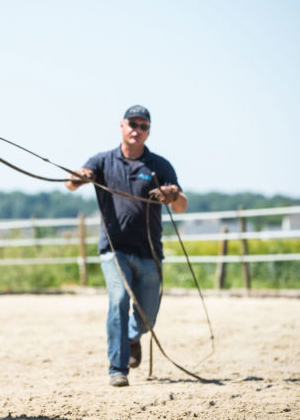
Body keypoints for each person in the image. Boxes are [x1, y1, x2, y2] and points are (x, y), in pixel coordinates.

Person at [65, 104, 187, 387]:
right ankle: (117, 369)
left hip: (149, 252)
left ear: (148, 131)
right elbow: (71, 184)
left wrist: (172, 194)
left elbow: (181, 206)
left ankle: (133, 337)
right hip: (114, 250)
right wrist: (79, 177)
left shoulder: (159, 166)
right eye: (133, 124)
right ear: (122, 126)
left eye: (144, 126)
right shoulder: (103, 161)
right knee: (118, 302)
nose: (138, 130)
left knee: (147, 319)